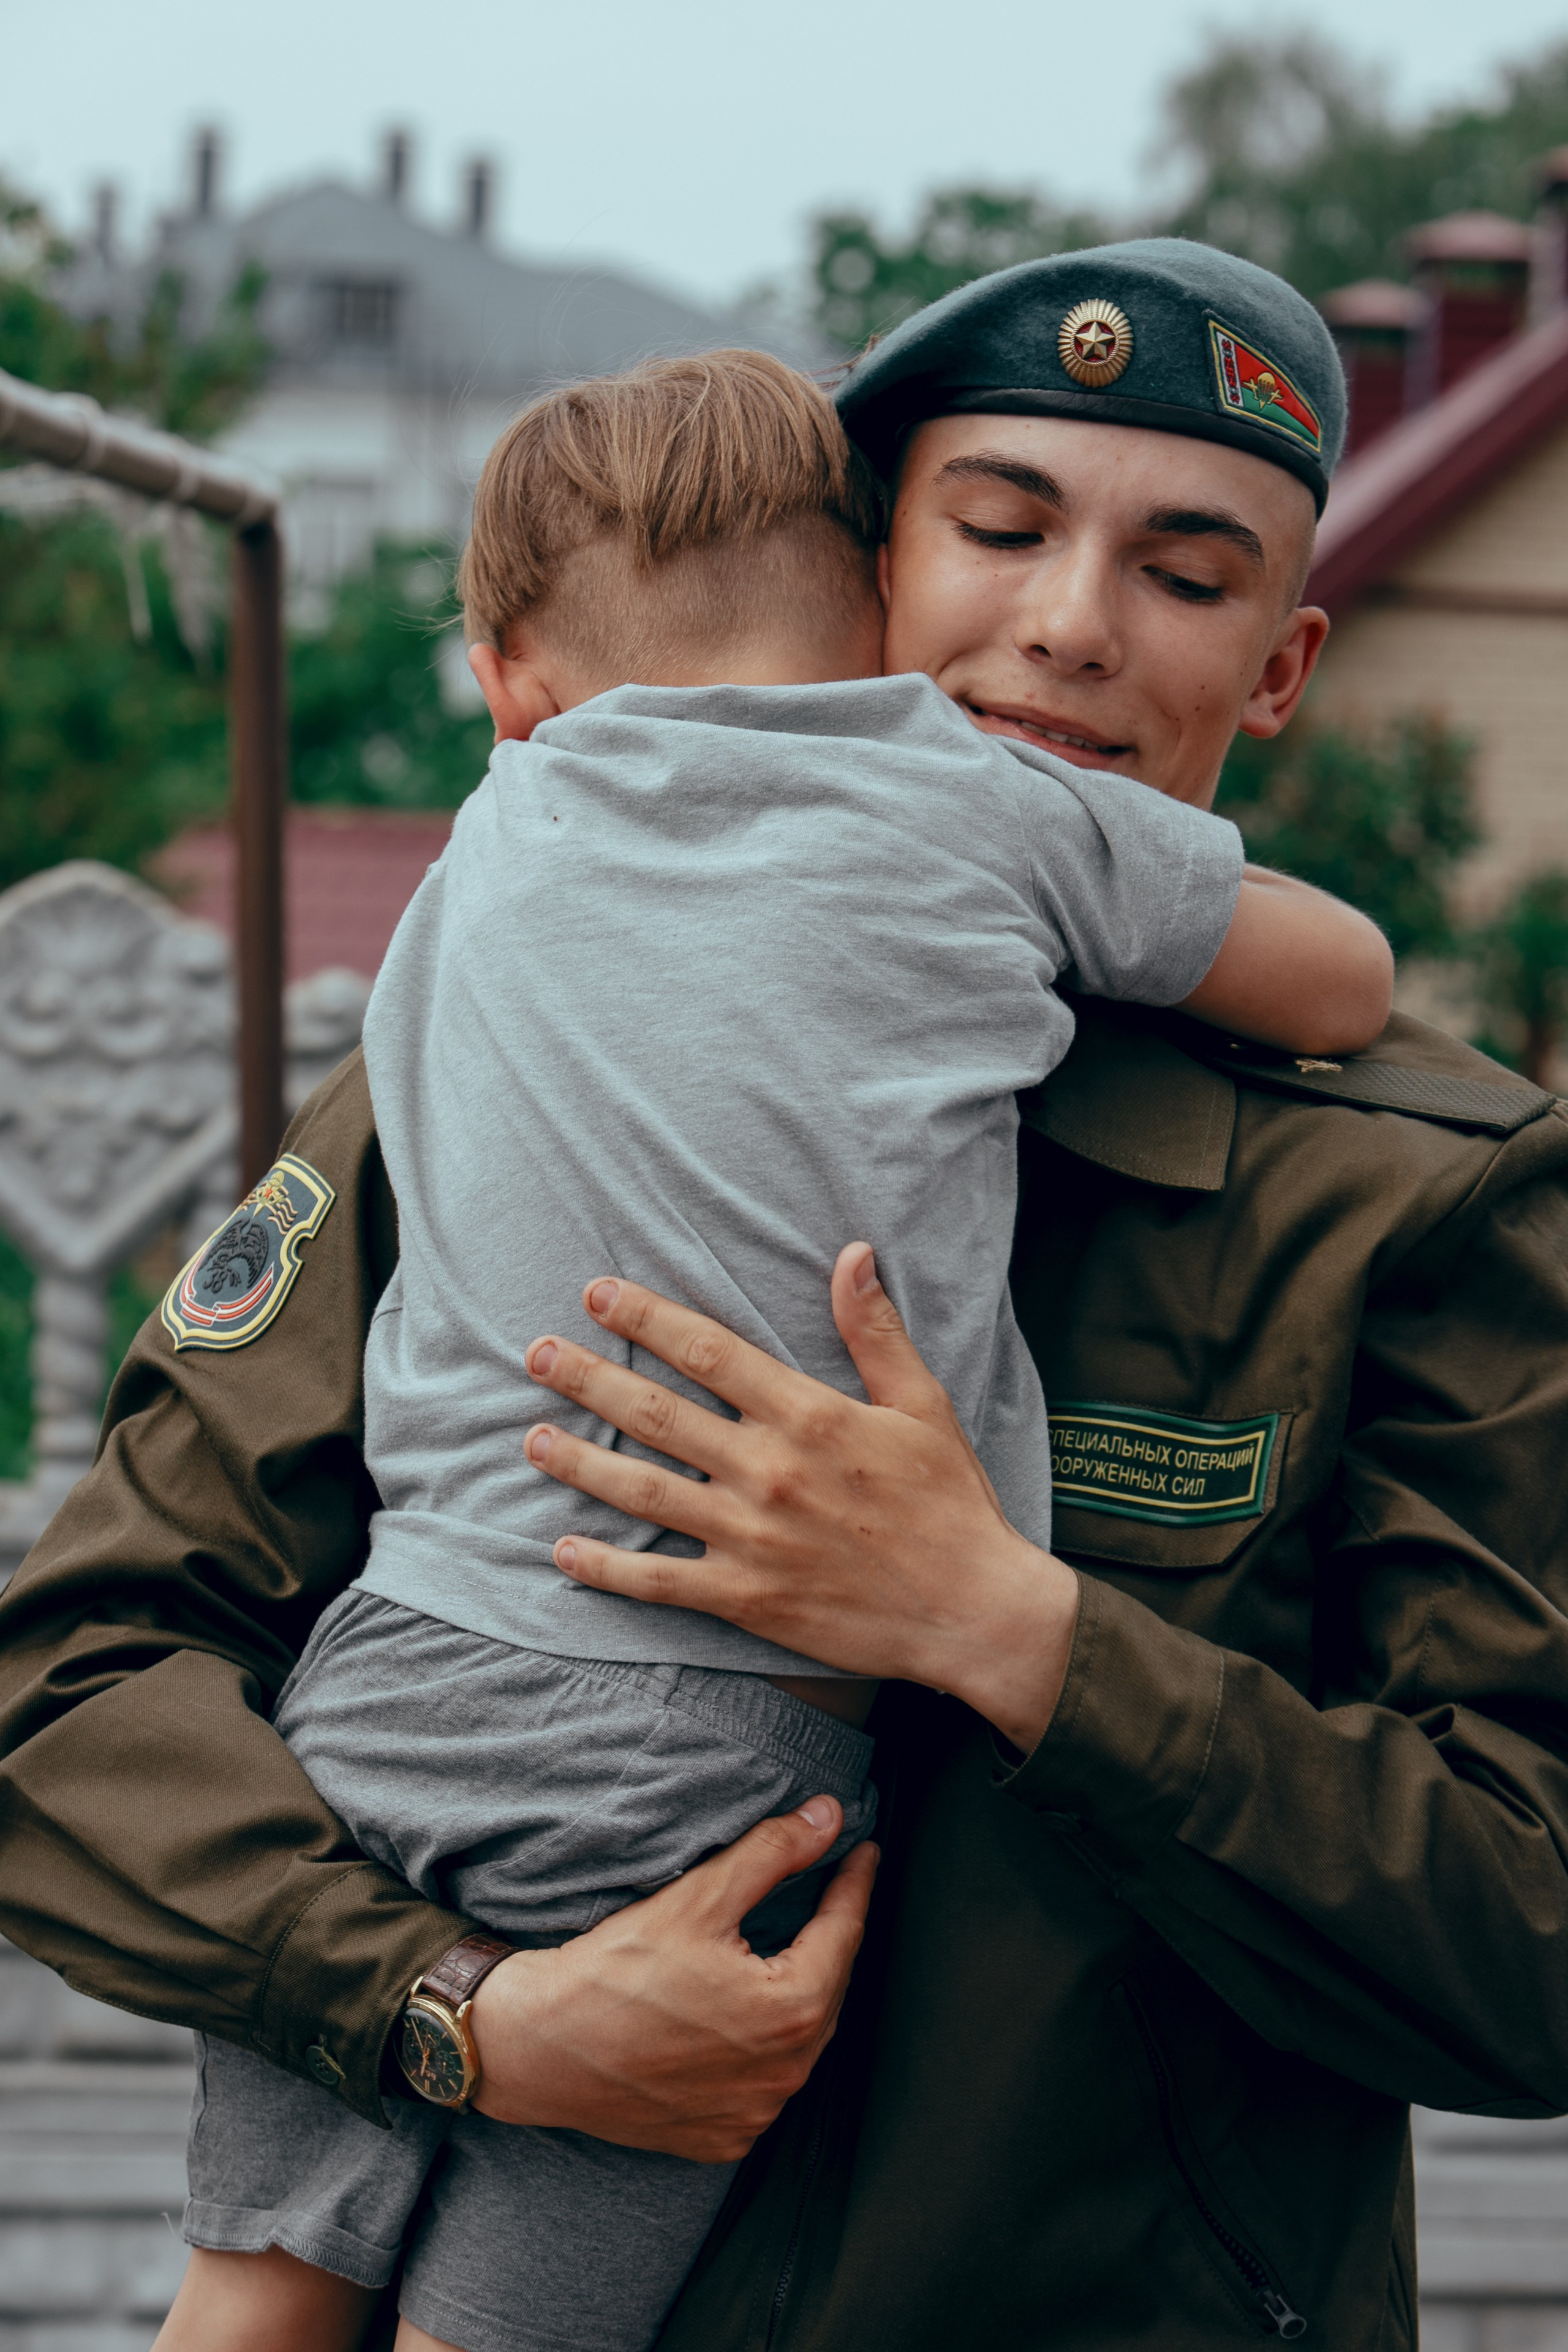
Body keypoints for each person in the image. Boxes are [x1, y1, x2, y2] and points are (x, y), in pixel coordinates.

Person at [0, 239, 1564, 2352]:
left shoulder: (1417, 1192)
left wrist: (1018, 1634)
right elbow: (81, 1687)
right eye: (998, 530)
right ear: (864, 574)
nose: (1070, 624)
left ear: (1280, 668)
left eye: (1186, 576)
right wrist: (459, 2014)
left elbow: (1532, 1938)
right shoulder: (510, 1042)